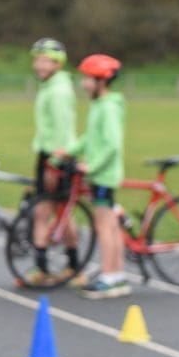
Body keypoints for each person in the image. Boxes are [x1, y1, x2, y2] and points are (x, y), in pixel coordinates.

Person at [59, 53, 130, 299]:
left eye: (88, 79)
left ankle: (110, 277)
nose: (83, 83)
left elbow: (111, 145)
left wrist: (92, 167)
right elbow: (90, 139)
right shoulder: (100, 105)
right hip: (102, 174)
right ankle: (117, 274)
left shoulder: (108, 107)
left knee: (105, 227)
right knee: (110, 225)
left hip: (104, 175)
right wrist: (69, 151)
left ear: (102, 81)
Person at [22, 37, 84, 287]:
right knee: (55, 213)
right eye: (37, 60)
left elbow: (62, 130)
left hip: (56, 157)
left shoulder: (58, 91)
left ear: (58, 63)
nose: (39, 65)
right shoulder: (50, 86)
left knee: (49, 213)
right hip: (49, 155)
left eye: (45, 60)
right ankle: (66, 266)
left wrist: (55, 163)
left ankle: (54, 267)